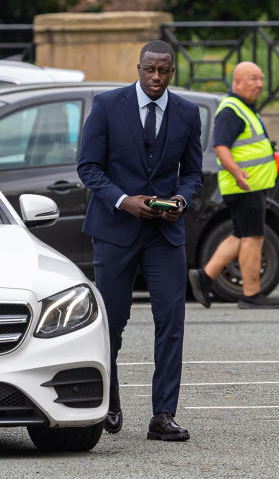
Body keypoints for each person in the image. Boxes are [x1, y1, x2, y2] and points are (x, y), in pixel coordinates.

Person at [77, 40, 203, 441]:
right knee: (110, 323)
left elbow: (193, 174)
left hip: (165, 234)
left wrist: (181, 199)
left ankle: (163, 415)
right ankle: (108, 398)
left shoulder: (186, 113)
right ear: (139, 68)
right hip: (115, 231)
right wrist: (123, 201)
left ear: (172, 73)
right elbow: (88, 167)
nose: (156, 77)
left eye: (163, 71)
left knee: (171, 322)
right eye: (150, 70)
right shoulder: (107, 105)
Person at [188, 61, 279, 310]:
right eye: (253, 79)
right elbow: (221, 146)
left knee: (241, 235)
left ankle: (204, 277)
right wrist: (238, 173)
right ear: (237, 82)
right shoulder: (232, 110)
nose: (259, 84)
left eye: (261, 79)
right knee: (253, 237)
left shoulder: (242, 107)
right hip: (243, 186)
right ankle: (251, 294)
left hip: (248, 186)